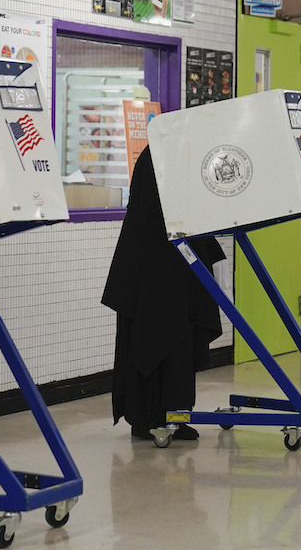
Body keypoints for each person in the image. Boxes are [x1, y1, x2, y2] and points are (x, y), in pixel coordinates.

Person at [102, 145, 225, 441]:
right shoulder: (158, 155)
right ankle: (147, 416)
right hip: (152, 268)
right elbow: (154, 208)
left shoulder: (177, 153)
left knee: (180, 342)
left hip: (175, 265)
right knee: (153, 339)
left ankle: (175, 415)